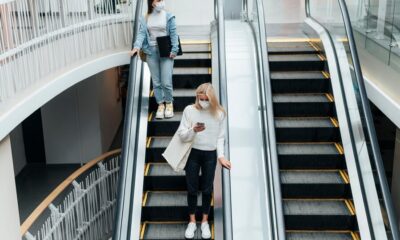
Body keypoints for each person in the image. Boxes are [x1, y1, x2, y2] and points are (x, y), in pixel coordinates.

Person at [177, 83, 231, 239]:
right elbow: (181, 134)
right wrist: (193, 130)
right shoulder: (190, 110)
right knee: (192, 189)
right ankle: (192, 221)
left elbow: (221, 137)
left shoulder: (219, 113)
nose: (203, 102)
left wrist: (221, 156)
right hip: (192, 153)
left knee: (207, 190)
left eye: (206, 99)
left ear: (212, 99)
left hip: (210, 154)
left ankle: (205, 221)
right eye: (201, 99)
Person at [129, 0, 179, 119]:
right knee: (156, 82)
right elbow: (141, 34)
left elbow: (173, 33)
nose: (161, 2)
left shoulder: (168, 16)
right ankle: (160, 105)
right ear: (152, 2)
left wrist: (175, 49)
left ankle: (169, 103)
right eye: (158, 0)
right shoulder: (146, 18)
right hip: (151, 51)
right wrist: (136, 47)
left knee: (166, 81)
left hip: (166, 51)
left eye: (162, 0)